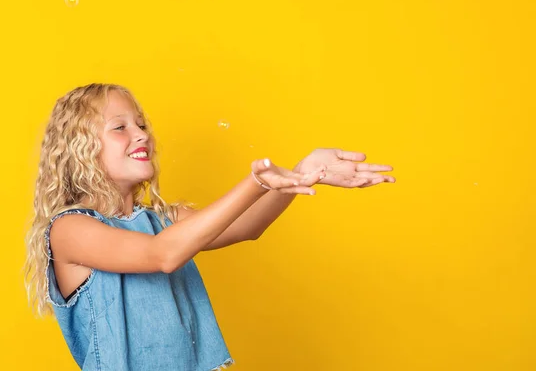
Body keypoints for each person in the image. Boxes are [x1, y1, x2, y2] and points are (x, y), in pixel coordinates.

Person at [23, 83, 395, 370]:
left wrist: (304, 171)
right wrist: (258, 181)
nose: (141, 134)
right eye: (119, 127)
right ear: (80, 149)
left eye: (141, 124)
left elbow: (247, 225)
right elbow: (162, 255)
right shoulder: (69, 229)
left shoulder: (160, 222)